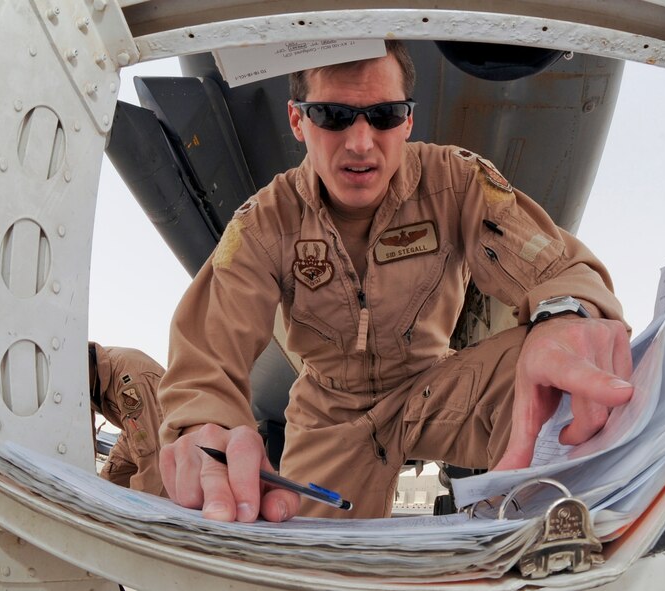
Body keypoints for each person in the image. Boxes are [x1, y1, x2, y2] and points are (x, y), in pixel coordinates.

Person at [158, 40, 634, 522]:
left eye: (384, 115)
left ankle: (538, 536)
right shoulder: (266, 223)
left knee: (557, 374)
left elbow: (556, 268)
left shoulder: (456, 182)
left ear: (407, 121)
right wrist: (205, 427)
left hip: (436, 386)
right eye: (332, 115)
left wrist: (566, 314)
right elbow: (206, 353)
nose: (361, 142)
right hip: (329, 415)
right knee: (305, 560)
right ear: (298, 120)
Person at [89, 342, 166, 496]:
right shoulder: (85, 377)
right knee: (106, 485)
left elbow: (150, 451)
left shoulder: (128, 381)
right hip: (133, 429)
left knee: (152, 487)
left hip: (164, 432)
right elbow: (85, 433)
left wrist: (138, 507)